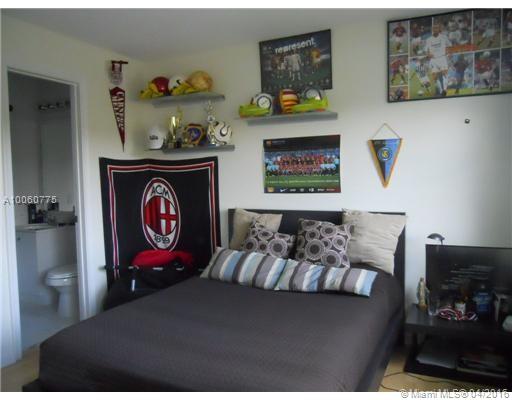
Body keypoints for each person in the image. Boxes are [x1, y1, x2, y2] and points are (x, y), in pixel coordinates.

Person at [425, 23, 452, 96]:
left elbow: (449, 45)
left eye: (436, 28)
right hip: (433, 60)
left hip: (442, 58)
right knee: (435, 77)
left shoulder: (444, 37)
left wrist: (449, 53)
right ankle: (441, 91)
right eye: (434, 28)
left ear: (439, 29)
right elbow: (426, 50)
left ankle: (445, 90)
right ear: (432, 29)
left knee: (444, 73)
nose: (435, 29)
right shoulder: (428, 40)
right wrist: (428, 54)